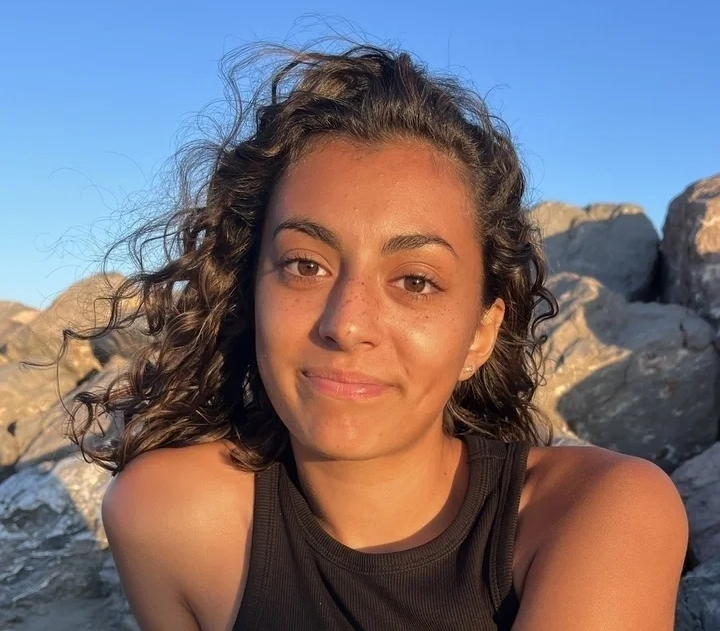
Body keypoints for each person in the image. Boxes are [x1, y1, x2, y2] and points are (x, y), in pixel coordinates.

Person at [65, 41, 688, 630]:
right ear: (250, 292)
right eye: (305, 265)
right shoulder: (168, 520)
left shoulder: (598, 512)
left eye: (415, 281)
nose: (347, 324)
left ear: (480, 334)